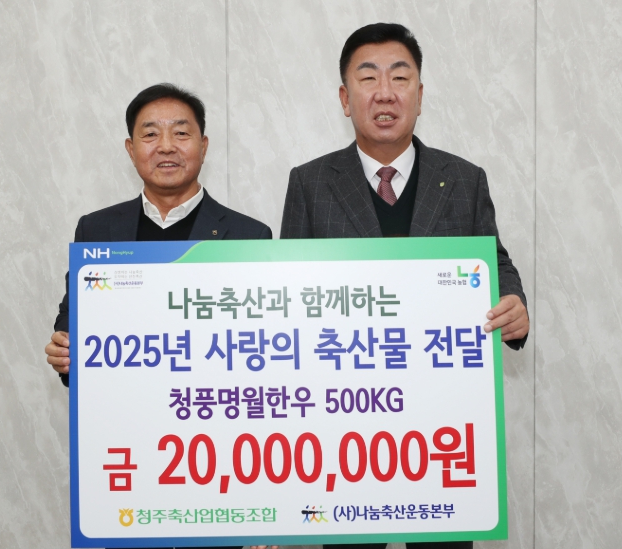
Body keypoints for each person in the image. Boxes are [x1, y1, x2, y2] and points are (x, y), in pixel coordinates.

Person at [280, 23, 530, 549]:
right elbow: (289, 290)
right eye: (368, 77)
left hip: (440, 426)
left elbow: (493, 262)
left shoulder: (464, 179)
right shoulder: (309, 182)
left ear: (420, 94)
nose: (385, 92)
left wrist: (513, 302)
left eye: (400, 77)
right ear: (345, 99)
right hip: (346, 426)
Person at [45, 83, 276, 549]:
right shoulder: (97, 229)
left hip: (220, 462)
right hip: (131, 457)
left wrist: (265, 507)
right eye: (150, 134)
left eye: (181, 133)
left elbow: (268, 360)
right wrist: (64, 351)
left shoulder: (249, 236)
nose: (166, 146)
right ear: (130, 149)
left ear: (203, 146)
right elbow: (74, 328)